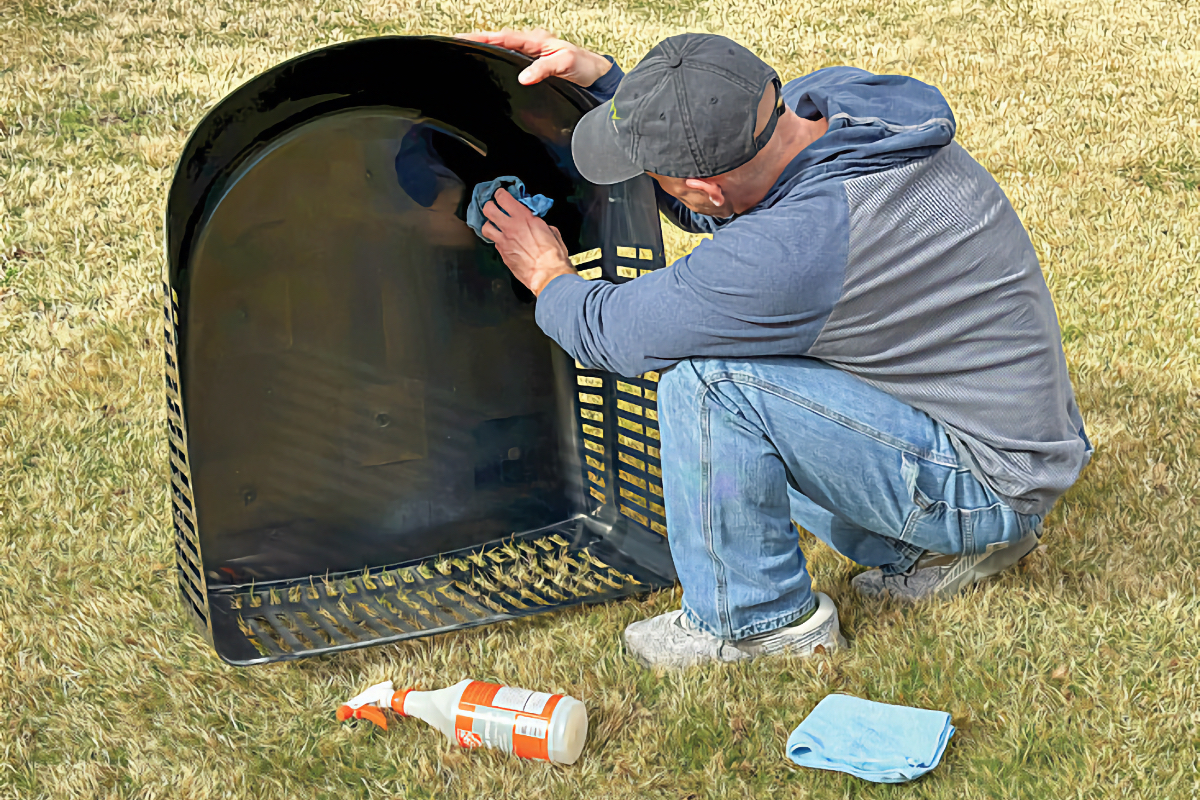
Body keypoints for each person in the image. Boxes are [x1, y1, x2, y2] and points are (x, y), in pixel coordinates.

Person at [456, 29, 1093, 669]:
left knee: (708, 385)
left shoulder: (796, 251)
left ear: (702, 190)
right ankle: (940, 548)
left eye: (660, 179)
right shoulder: (835, 107)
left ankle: (759, 622)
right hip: (1005, 436)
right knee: (745, 363)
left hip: (983, 482)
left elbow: (615, 334)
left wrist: (546, 274)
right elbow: (733, 189)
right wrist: (616, 90)